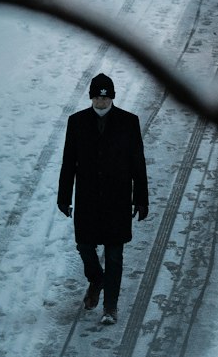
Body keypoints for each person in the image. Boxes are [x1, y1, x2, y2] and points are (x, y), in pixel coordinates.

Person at [57, 73, 149, 325]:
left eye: (105, 97)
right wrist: (64, 196)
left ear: (112, 98)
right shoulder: (76, 122)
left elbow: (137, 162)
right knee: (85, 246)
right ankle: (97, 278)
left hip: (117, 200)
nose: (101, 101)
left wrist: (141, 198)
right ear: (91, 97)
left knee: (115, 255)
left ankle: (110, 307)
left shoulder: (129, 122)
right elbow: (68, 162)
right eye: (97, 97)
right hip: (87, 199)